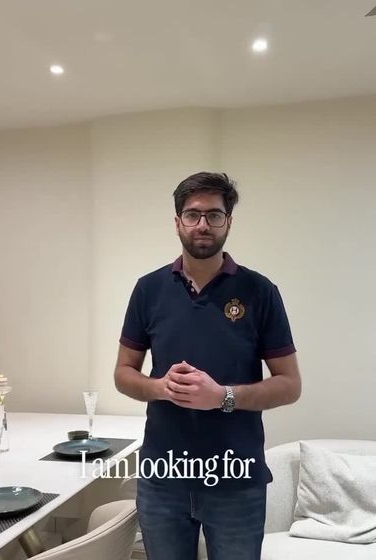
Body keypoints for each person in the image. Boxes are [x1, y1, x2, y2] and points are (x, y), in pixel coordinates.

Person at [114, 171, 301, 560]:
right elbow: (123, 373)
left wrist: (222, 397)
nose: (202, 224)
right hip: (163, 478)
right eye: (192, 214)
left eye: (214, 215)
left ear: (228, 222)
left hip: (236, 479)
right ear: (177, 222)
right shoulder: (148, 289)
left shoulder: (260, 291)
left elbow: (289, 384)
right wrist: (159, 387)